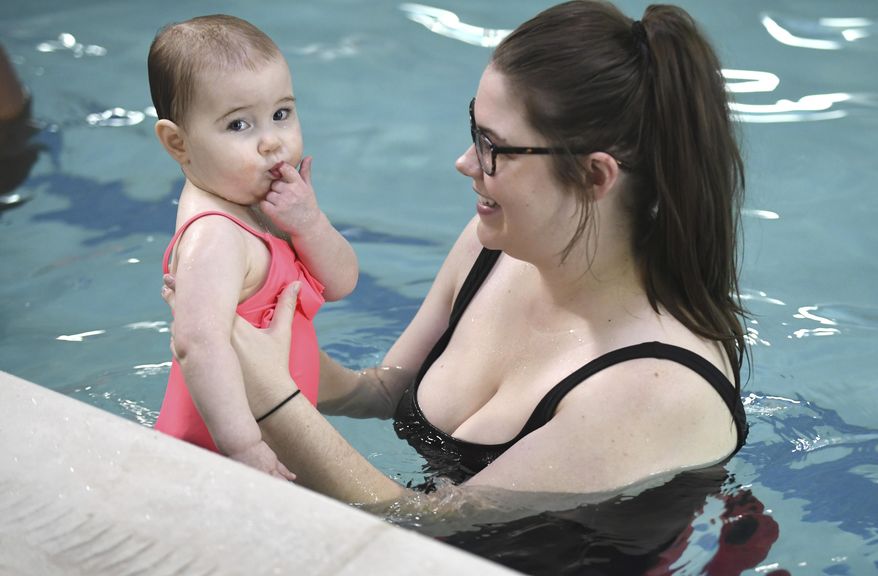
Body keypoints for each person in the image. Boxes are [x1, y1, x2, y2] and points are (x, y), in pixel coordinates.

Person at [166, 0, 748, 519]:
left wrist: (271, 399)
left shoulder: (654, 388)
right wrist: (267, 344)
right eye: (476, 127)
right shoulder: (493, 247)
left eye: (494, 146)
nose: (466, 162)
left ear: (595, 176)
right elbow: (384, 391)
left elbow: (430, 524)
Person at [149, 15, 358, 479]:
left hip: (278, 441)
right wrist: (244, 447)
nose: (271, 143)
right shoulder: (215, 235)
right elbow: (197, 345)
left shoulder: (262, 204)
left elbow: (341, 283)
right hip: (218, 461)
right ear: (178, 143)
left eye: (281, 114)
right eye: (239, 124)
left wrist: (311, 224)